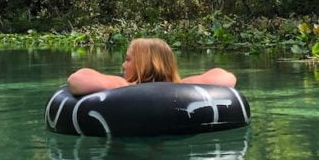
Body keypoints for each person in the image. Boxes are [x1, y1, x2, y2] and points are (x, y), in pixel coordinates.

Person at [67, 37, 237, 96]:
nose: (123, 65)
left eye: (128, 59)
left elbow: (76, 79)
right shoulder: (183, 85)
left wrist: (122, 85)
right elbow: (228, 78)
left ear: (143, 64)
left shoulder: (120, 86)